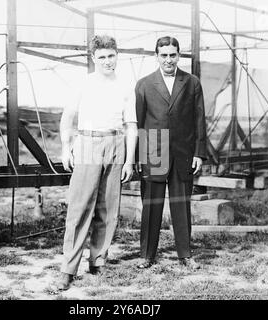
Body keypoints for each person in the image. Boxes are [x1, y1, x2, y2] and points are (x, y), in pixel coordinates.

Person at [55, 35, 138, 290]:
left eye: (111, 56)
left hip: (116, 144)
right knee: (79, 209)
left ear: (117, 56)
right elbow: (67, 117)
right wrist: (66, 148)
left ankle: (98, 261)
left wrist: (129, 160)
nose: (107, 61)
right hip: (88, 144)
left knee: (108, 209)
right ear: (93, 59)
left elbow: (132, 125)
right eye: (101, 57)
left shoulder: (126, 85)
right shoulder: (85, 83)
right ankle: (68, 268)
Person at [135, 36, 207, 270]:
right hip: (153, 151)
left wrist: (199, 153)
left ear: (178, 55)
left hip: (183, 152)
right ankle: (147, 255)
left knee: (181, 205)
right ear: (156, 56)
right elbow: (138, 122)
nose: (168, 59)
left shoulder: (192, 82)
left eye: (172, 55)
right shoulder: (144, 84)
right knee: (152, 205)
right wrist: (139, 157)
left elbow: (199, 120)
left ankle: (185, 255)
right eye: (164, 55)